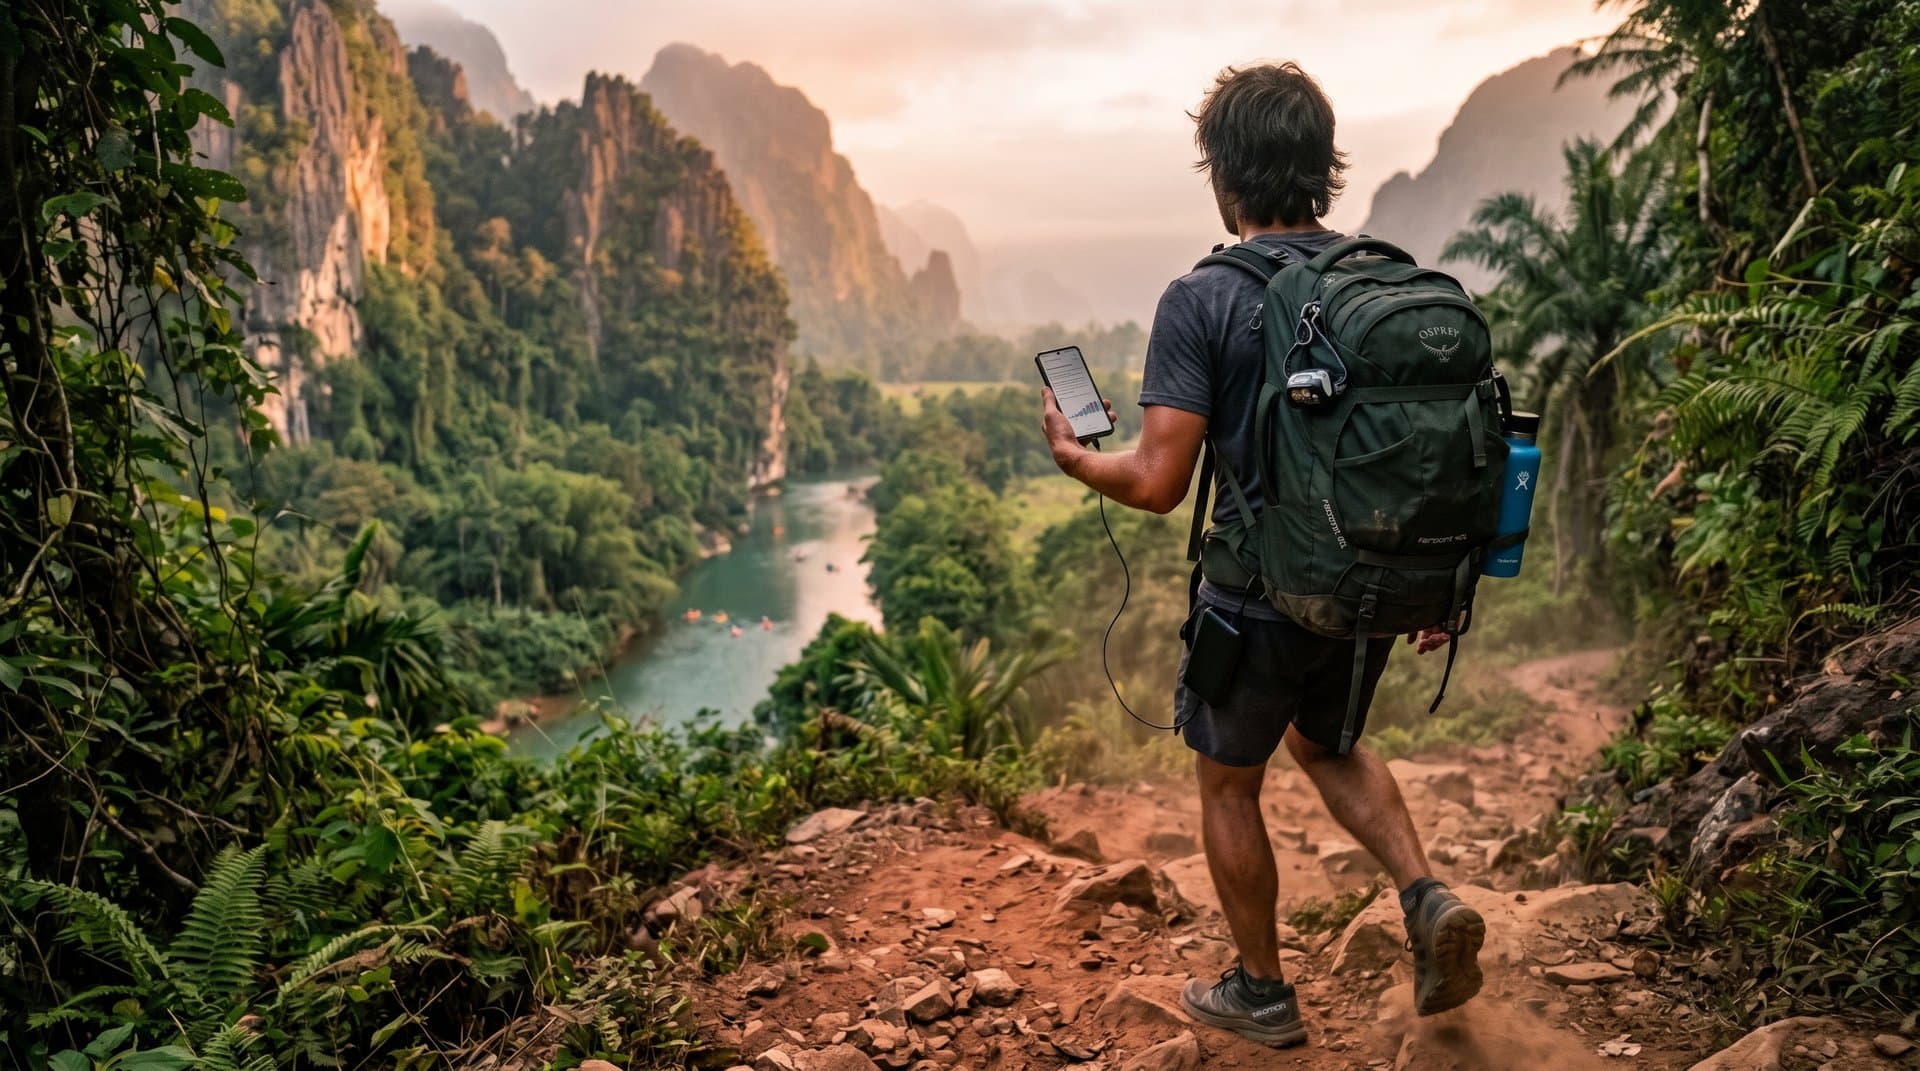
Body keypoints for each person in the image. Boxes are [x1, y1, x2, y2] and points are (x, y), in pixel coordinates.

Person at [1041, 62, 1485, 1050]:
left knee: (1228, 785)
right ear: (1324, 167)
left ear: (1223, 176)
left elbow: (1158, 483)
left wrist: (1076, 457)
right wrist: (1431, 579)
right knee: (1327, 744)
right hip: (1368, 585)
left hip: (1258, 595)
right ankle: (1423, 899)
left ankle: (1262, 989)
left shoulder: (1201, 298)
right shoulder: (1381, 278)